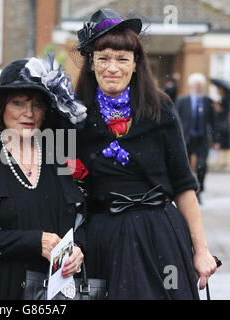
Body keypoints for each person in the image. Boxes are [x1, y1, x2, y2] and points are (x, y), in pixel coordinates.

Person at [75, 8, 218, 299]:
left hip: (160, 236)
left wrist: (201, 250)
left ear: (136, 63)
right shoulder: (75, 115)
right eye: (103, 58)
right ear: (91, 63)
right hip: (104, 239)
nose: (112, 67)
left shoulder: (160, 109)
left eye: (122, 58)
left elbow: (183, 184)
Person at [0, 55, 87, 300]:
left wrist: (78, 249)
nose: (28, 113)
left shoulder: (58, 156)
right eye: (18, 102)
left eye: (37, 104)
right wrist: (33, 241)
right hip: (1, 288)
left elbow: (81, 219)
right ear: (1, 108)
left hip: (55, 291)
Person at [175, 73, 220, 201]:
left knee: (202, 165)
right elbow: (175, 120)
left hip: (202, 139)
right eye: (196, 86)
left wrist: (216, 140)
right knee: (186, 166)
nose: (198, 88)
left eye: (200, 86)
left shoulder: (207, 101)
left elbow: (213, 122)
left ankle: (199, 190)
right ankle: (187, 191)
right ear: (191, 86)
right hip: (186, 139)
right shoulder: (182, 101)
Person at [211, 78, 230, 169]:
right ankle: (222, 161)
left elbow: (222, 111)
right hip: (222, 122)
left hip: (223, 123)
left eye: (218, 88)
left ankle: (223, 162)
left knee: (222, 141)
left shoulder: (226, 98)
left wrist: (217, 106)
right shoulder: (223, 98)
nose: (217, 90)